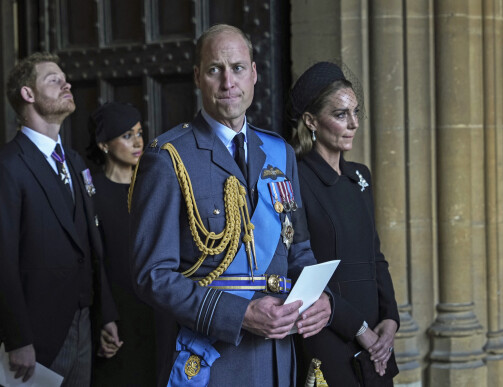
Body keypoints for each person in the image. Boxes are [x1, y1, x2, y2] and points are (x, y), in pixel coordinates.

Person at [129, 24, 332, 387]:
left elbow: (298, 249)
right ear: (197, 77)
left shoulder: (279, 152)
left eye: (237, 68)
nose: (228, 82)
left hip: (277, 357)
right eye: (214, 70)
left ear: (254, 74)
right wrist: (239, 315)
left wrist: (322, 299)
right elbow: (153, 276)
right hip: (213, 361)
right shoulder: (169, 157)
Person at [0, 52, 121, 386]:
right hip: (37, 334)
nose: (66, 83)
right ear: (28, 94)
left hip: (84, 322)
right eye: (53, 79)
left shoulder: (74, 161)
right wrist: (17, 337)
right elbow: (3, 258)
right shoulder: (9, 166)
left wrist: (105, 314)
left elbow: (92, 245)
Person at [289, 61, 400, 387]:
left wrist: (390, 319)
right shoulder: (294, 178)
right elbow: (297, 269)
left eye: (355, 112)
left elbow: (375, 256)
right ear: (311, 121)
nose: (353, 124)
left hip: (376, 338)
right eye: (340, 115)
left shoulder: (359, 177)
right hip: (328, 332)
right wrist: (358, 328)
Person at [86, 102, 157, 386]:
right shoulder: (91, 192)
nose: (138, 142)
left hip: (154, 310)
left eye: (139, 133)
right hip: (113, 313)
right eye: (127, 135)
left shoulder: (152, 187)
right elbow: (94, 260)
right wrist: (104, 317)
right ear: (104, 144)